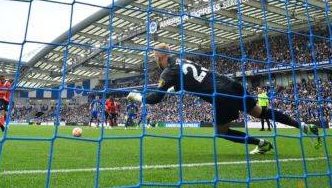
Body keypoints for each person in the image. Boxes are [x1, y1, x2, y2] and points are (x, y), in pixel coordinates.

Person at [127, 43, 321, 154]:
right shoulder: (183, 61)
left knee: (221, 132)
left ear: (160, 57)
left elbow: (154, 99)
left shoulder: (169, 71)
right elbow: (188, 81)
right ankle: (303, 126)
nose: (155, 61)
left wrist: (137, 97)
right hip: (230, 84)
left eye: (155, 58)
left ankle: (261, 143)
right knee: (260, 112)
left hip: (220, 95)